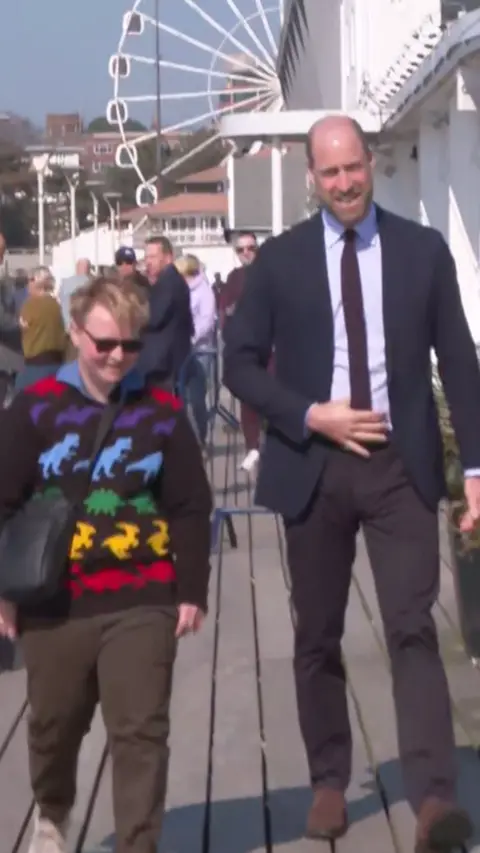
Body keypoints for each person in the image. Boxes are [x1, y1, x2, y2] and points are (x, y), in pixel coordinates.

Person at [223, 114, 480, 853]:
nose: (343, 183)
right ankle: (330, 779)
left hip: (401, 466)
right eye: (328, 172)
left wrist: (475, 469)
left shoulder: (423, 253)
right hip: (314, 463)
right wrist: (310, 414)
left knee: (411, 627)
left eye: (352, 167)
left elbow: (459, 360)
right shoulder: (278, 261)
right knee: (317, 634)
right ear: (312, 177)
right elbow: (240, 362)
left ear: (370, 162)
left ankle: (435, 799)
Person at [0, 274, 212, 853]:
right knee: (53, 728)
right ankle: (54, 810)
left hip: (143, 595)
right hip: (54, 601)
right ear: (75, 335)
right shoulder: (36, 407)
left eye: (130, 346)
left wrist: (191, 587)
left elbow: (192, 504)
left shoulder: (162, 408)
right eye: (104, 345)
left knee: (141, 731)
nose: (118, 357)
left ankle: (138, 843)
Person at [220, 231, 264, 472]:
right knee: (248, 401)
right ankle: (253, 447)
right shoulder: (234, 277)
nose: (246, 253)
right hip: (244, 349)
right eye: (241, 249)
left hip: (270, 350)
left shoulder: (269, 273)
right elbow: (225, 311)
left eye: (251, 248)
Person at [136, 236, 194, 390]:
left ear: (168, 258)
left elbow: (153, 318)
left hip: (163, 366)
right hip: (161, 363)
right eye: (146, 257)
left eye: (153, 257)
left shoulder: (169, 282)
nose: (148, 262)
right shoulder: (165, 281)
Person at [175, 254, 216, 446]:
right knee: (180, 398)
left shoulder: (204, 290)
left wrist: (191, 338)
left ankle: (201, 437)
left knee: (198, 397)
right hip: (179, 352)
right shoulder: (178, 291)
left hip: (200, 351)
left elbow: (207, 321)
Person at [15, 266, 66, 392]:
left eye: (29, 281)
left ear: (34, 282)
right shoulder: (56, 304)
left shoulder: (30, 305)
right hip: (57, 366)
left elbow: (23, 327)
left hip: (35, 368)